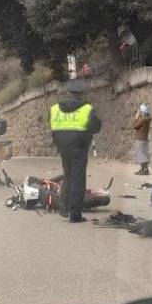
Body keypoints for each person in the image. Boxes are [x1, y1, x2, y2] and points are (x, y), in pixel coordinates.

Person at [50, 79, 102, 223]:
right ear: (80, 94)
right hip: (79, 147)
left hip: (62, 146)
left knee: (68, 175)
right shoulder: (86, 108)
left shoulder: (55, 108)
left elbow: (52, 123)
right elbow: (95, 126)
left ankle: (63, 204)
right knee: (78, 178)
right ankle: (75, 214)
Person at [131, 103, 152, 175]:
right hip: (144, 138)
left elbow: (134, 126)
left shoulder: (142, 119)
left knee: (140, 154)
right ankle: (144, 169)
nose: (138, 112)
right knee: (143, 154)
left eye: (140, 111)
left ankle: (144, 169)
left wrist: (136, 118)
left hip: (140, 138)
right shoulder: (147, 119)